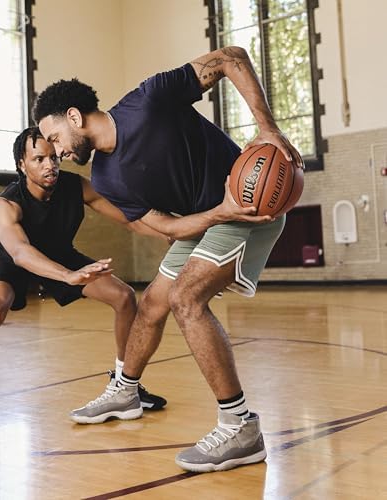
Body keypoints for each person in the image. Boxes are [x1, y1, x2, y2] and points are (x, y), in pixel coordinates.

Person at [34, 45, 304, 472]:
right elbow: (167, 227)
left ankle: (240, 426)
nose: (57, 151)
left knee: (185, 299)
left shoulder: (149, 100)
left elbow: (231, 58)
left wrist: (267, 129)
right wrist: (215, 215)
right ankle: (126, 390)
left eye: (54, 138)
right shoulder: (104, 177)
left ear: (73, 116)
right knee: (152, 305)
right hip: (211, 218)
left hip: (248, 208)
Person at [0, 127, 171, 440]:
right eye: (39, 159)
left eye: (53, 157)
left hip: (60, 253)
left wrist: (170, 232)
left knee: (124, 296)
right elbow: (20, 252)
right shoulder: (5, 204)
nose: (50, 165)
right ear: (22, 165)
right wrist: (66, 275)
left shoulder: (75, 186)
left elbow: (128, 218)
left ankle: (124, 385)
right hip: (13, 258)